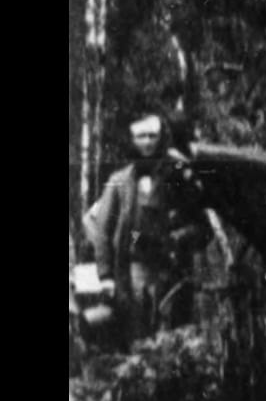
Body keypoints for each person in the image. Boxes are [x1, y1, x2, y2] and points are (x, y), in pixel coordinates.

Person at [82, 112, 212, 346]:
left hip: (171, 273)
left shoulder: (177, 179)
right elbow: (102, 230)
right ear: (131, 140)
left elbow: (202, 227)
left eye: (153, 135)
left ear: (161, 138)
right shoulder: (118, 182)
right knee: (136, 337)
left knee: (172, 340)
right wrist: (105, 276)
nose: (147, 142)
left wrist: (177, 238)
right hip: (131, 273)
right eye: (141, 136)